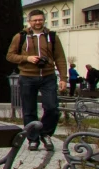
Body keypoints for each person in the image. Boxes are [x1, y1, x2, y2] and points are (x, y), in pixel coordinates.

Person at [5, 10, 67, 150]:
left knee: (52, 108)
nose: (37, 22)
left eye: (40, 20)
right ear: (29, 21)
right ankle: (33, 138)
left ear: (44, 20)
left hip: (48, 76)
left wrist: (63, 78)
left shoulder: (51, 36)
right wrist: (27, 58)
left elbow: (60, 58)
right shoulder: (20, 37)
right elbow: (10, 56)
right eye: (34, 20)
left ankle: (45, 133)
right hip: (27, 76)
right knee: (29, 110)